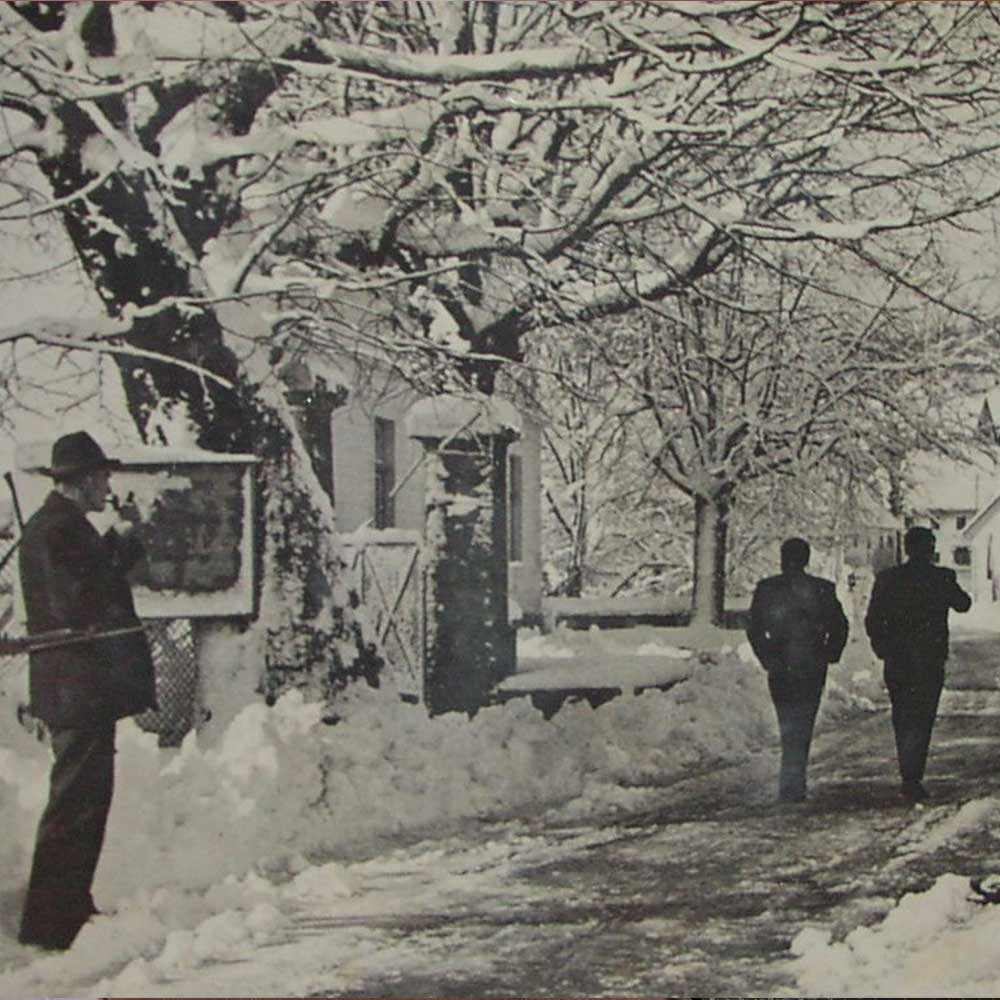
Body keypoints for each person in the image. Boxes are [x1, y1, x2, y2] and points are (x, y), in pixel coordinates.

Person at [18, 431, 156, 951]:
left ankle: (70, 907)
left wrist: (115, 548)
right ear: (82, 481)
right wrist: (119, 551)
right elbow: (78, 605)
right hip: (76, 689)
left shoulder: (65, 527)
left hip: (82, 690)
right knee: (74, 805)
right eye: (102, 478)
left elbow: (86, 588)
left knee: (85, 802)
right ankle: (51, 925)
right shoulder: (57, 530)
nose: (108, 487)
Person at [865, 525, 971, 805]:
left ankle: (908, 775)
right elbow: (964, 604)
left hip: (897, 660)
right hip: (929, 660)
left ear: (907, 548)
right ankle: (913, 778)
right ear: (930, 549)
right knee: (923, 718)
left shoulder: (888, 579)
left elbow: (872, 619)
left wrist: (882, 648)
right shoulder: (942, 577)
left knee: (902, 716)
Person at [747, 537, 849, 803]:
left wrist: (767, 657)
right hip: (812, 665)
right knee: (804, 722)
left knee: (787, 723)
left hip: (781, 666)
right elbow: (840, 626)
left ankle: (791, 782)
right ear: (806, 559)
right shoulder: (822, 589)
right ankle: (795, 781)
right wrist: (830, 653)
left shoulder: (767, 589)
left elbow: (754, 628)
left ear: (783, 559)